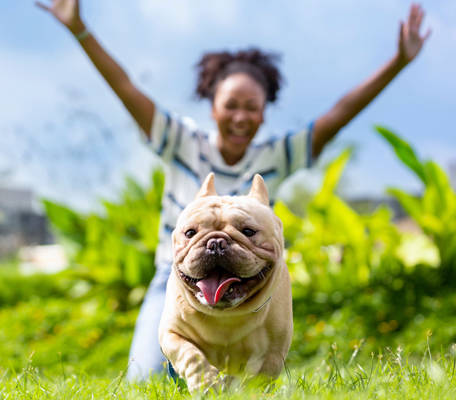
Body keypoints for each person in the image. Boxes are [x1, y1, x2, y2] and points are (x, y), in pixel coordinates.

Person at [37, 0, 430, 380]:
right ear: (213, 107)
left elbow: (339, 115)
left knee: (247, 378)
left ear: (264, 111)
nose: (240, 117)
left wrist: (397, 63)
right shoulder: (181, 141)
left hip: (253, 277)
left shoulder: (276, 155)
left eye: (251, 107)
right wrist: (79, 29)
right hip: (174, 277)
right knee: (145, 380)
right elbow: (124, 87)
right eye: (231, 105)